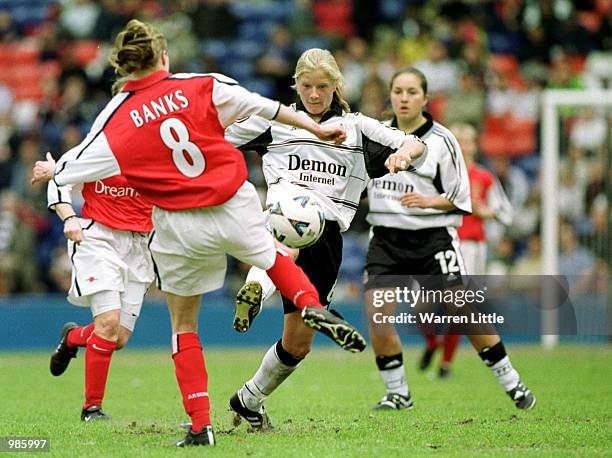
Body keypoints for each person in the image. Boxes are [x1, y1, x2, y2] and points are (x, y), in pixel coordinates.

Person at [31, 20, 415, 447]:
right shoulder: (202, 84)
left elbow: (76, 162)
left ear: (122, 70)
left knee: (184, 325)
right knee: (271, 254)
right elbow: (262, 106)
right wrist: (316, 127)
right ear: (164, 58)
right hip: (233, 200)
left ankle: (202, 425)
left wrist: (54, 171)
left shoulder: (118, 115)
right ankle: (309, 302)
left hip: (180, 219)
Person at [224, 48, 428, 431]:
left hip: (329, 237)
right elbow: (216, 141)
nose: (314, 94)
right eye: (306, 86)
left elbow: (416, 143)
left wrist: (402, 154)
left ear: (336, 86)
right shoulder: (275, 120)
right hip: (282, 220)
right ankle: (254, 288)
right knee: (288, 234)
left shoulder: (358, 127)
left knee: (298, 345)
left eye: (322, 86)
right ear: (295, 85)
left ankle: (249, 400)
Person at [364, 67, 535, 411]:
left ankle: (511, 381)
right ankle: (399, 393)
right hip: (385, 239)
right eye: (398, 91)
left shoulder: (443, 141)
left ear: (425, 99)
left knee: (463, 311)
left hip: (433, 239)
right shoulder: (376, 136)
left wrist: (427, 201)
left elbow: (462, 198)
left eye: (412, 92)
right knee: (377, 315)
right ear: (391, 96)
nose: (404, 97)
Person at [47, 172, 154, 422]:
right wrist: (70, 217)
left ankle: (72, 338)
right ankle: (91, 409)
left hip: (139, 245)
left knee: (118, 338)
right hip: (97, 238)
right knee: (108, 323)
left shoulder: (159, 148)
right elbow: (61, 177)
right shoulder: (103, 145)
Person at [419, 122, 513, 378]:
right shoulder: (435, 175)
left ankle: (446, 364)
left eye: (466, 141)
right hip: (438, 245)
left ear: (474, 145)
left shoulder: (484, 177)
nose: (461, 146)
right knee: (421, 306)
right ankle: (431, 344)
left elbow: (506, 213)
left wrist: (487, 211)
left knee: (458, 308)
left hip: (471, 247)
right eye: (455, 140)